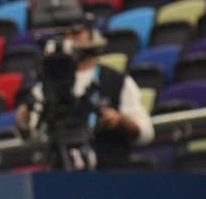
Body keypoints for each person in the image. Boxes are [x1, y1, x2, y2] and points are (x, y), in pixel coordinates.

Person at [15, 17, 153, 170]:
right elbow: (33, 139)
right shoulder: (47, 85)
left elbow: (145, 133)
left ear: (91, 35)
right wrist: (23, 124)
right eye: (65, 34)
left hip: (109, 169)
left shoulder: (116, 79)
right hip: (63, 169)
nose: (71, 38)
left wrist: (120, 122)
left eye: (76, 33)